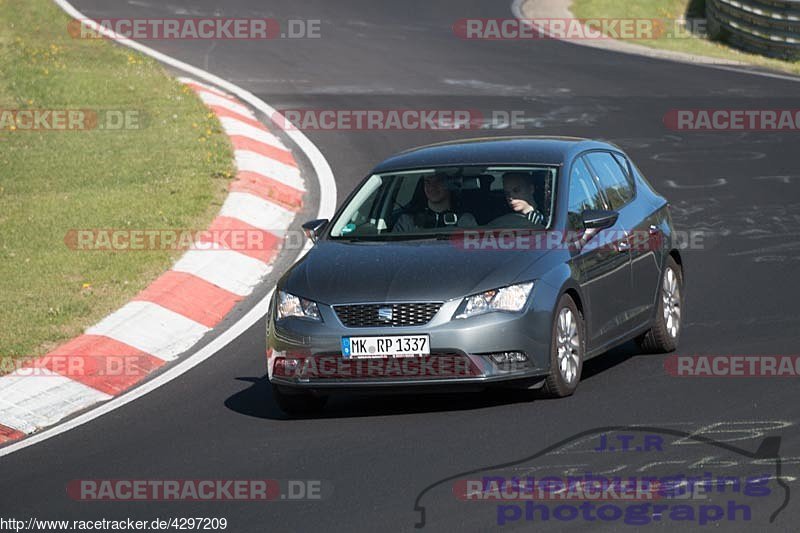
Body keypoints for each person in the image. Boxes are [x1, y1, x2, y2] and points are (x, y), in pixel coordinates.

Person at [393, 173, 477, 232]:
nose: (432, 187)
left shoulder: (465, 220)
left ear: (449, 185)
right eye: (427, 182)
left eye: (438, 181)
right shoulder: (407, 221)